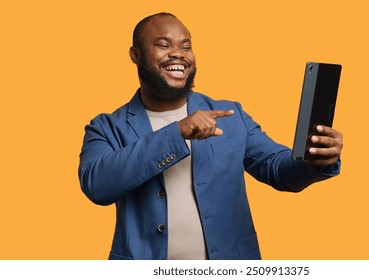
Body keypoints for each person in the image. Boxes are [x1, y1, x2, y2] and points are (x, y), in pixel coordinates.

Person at [78, 12, 343, 260]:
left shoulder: (231, 115)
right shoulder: (107, 127)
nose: (178, 55)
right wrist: (177, 132)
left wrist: (315, 160)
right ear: (135, 55)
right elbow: (98, 186)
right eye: (163, 45)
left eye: (186, 46)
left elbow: (278, 169)